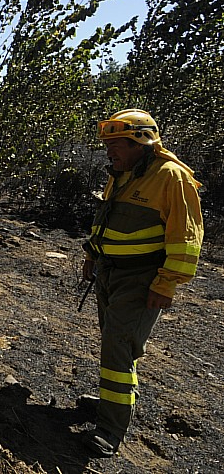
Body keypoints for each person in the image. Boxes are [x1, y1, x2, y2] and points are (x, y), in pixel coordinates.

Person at [81, 108, 203, 457]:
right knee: (114, 342)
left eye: (116, 144)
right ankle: (112, 401)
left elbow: (187, 238)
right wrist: (92, 255)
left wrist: (166, 284)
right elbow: (105, 219)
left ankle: (110, 428)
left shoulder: (171, 177)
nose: (109, 152)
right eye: (108, 144)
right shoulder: (122, 174)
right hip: (110, 272)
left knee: (119, 345)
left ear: (141, 141)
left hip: (141, 278)